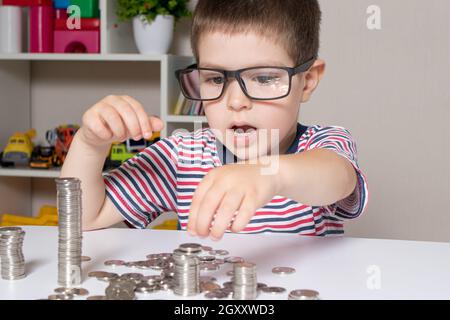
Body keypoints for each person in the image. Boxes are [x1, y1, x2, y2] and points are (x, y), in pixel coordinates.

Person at [61, 0, 369, 241]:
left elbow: (339, 179)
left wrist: (269, 173)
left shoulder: (323, 145)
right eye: (214, 78)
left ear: (308, 80)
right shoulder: (183, 156)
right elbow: (83, 219)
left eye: (262, 77)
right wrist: (89, 146)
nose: (235, 102)